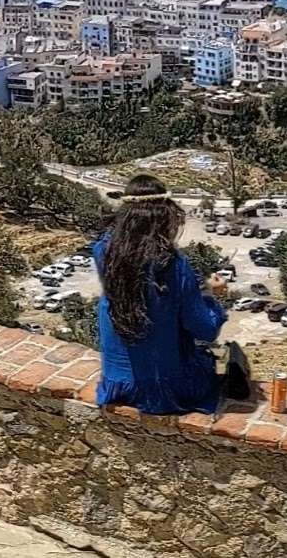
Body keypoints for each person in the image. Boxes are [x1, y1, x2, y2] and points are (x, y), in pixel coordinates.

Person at [91, 174, 232, 415]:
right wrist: (214, 297)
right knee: (222, 362)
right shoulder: (173, 265)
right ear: (163, 217)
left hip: (117, 385)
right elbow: (204, 329)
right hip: (165, 390)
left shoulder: (103, 252)